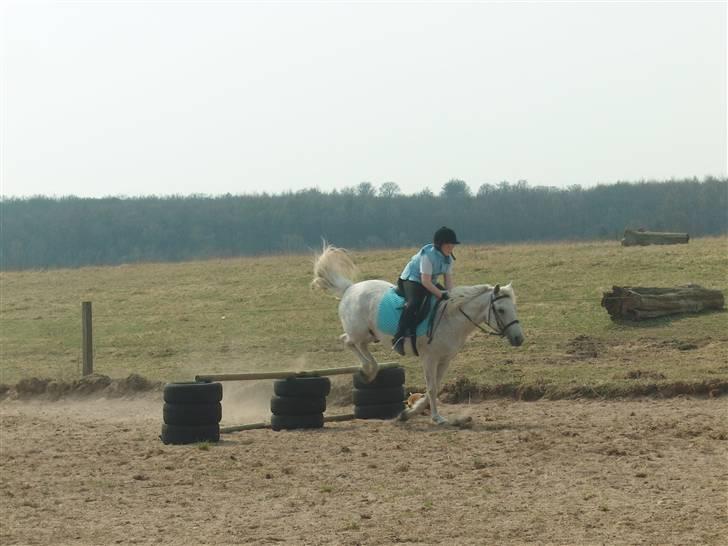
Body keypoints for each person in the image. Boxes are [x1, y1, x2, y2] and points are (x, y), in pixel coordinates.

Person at [393, 226, 460, 356]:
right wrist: (441, 294)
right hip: (412, 279)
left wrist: (450, 295)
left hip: (429, 281)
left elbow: (448, 281)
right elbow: (425, 282)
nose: (452, 247)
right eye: (449, 244)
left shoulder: (449, 259)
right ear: (440, 244)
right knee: (413, 303)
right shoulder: (427, 255)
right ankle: (398, 337)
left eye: (453, 244)